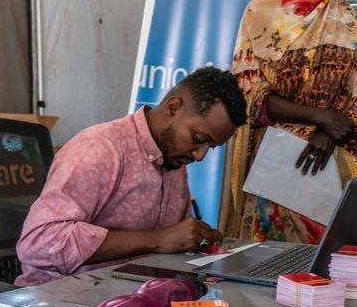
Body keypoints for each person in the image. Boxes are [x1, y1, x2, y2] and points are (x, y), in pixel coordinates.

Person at [15, 66, 248, 286]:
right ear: (173, 107)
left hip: (133, 294)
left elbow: (172, 239)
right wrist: (156, 239)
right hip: (62, 300)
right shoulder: (100, 149)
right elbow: (39, 244)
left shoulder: (173, 159)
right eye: (198, 139)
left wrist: (194, 239)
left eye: (210, 147)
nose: (199, 155)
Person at [224, 0, 357, 245]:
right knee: (269, 250)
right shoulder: (260, 13)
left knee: (323, 254)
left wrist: (328, 132)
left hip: (329, 156)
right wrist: (319, 116)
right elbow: (248, 89)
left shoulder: (352, 23)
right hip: (272, 159)